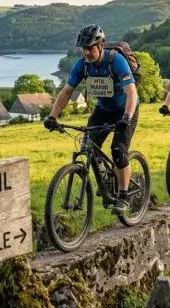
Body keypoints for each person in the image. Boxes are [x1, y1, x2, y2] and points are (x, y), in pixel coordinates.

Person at [43, 24, 139, 217]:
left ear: (101, 45)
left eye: (90, 48)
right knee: (88, 146)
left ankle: (123, 196)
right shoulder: (82, 65)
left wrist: (127, 118)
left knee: (118, 151)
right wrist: (53, 116)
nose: (87, 52)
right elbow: (67, 92)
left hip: (126, 110)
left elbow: (131, 92)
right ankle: (106, 181)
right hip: (103, 110)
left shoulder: (116, 61)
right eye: (84, 48)